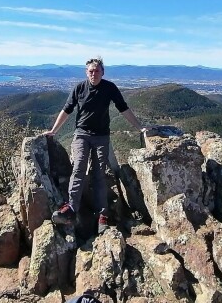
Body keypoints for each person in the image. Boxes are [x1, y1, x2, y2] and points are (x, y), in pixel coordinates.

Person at [43, 57, 147, 234]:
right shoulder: (79, 88)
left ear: (102, 72)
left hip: (101, 137)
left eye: (96, 71)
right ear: (86, 72)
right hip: (82, 135)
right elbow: (67, 109)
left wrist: (140, 127)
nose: (93, 74)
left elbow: (123, 108)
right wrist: (53, 130)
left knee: (99, 173)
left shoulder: (109, 88)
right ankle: (71, 209)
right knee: (79, 167)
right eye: (90, 71)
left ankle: (102, 215)